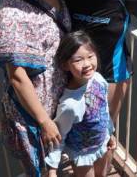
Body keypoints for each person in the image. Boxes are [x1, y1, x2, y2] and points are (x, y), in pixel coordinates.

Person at [0, 0, 75, 176]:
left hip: (59, 97)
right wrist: (44, 121)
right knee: (39, 167)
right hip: (34, 111)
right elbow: (17, 76)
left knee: (56, 161)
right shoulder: (11, 11)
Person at [45, 31, 115, 177]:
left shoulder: (98, 79)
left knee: (102, 174)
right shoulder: (70, 105)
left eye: (90, 56)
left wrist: (110, 133)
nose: (87, 64)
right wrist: (52, 169)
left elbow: (104, 111)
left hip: (102, 142)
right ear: (65, 65)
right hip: (82, 153)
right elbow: (59, 135)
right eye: (78, 60)